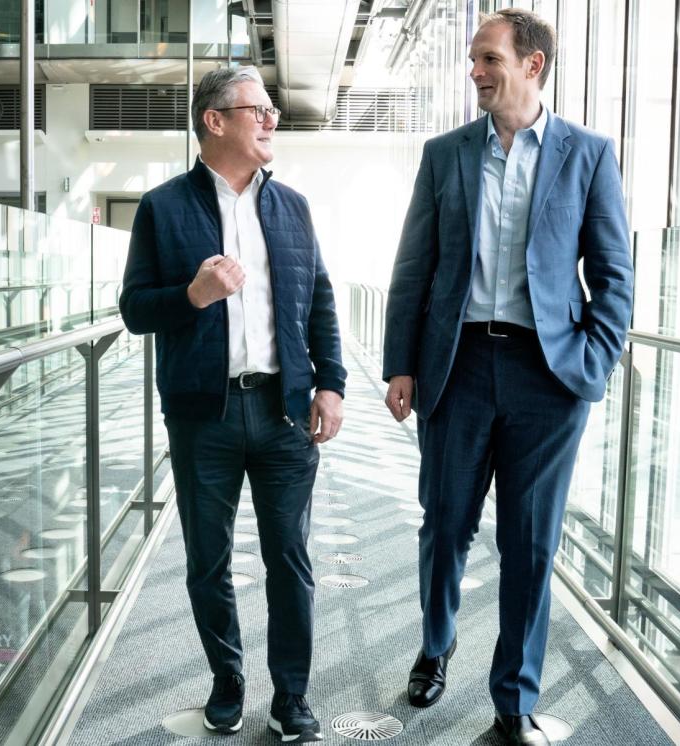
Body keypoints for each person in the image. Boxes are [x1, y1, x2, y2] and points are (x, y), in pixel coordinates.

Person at [382, 8, 633, 745]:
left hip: (547, 377)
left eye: (489, 58)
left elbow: (615, 275)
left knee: (531, 542)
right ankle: (436, 643)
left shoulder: (587, 154)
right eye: (472, 59)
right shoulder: (446, 154)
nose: (475, 72)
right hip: (456, 368)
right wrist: (401, 364)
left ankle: (513, 701)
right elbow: (413, 269)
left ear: (533, 65)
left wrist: (591, 361)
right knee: (445, 523)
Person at [119, 66, 345, 743]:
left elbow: (322, 303)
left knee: (290, 559)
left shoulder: (293, 207)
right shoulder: (163, 207)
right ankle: (227, 680)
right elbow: (134, 310)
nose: (272, 119)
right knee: (208, 561)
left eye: (273, 109)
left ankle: (291, 696)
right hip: (203, 416)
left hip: (283, 413)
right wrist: (191, 296)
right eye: (259, 109)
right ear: (215, 121)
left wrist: (331, 383)